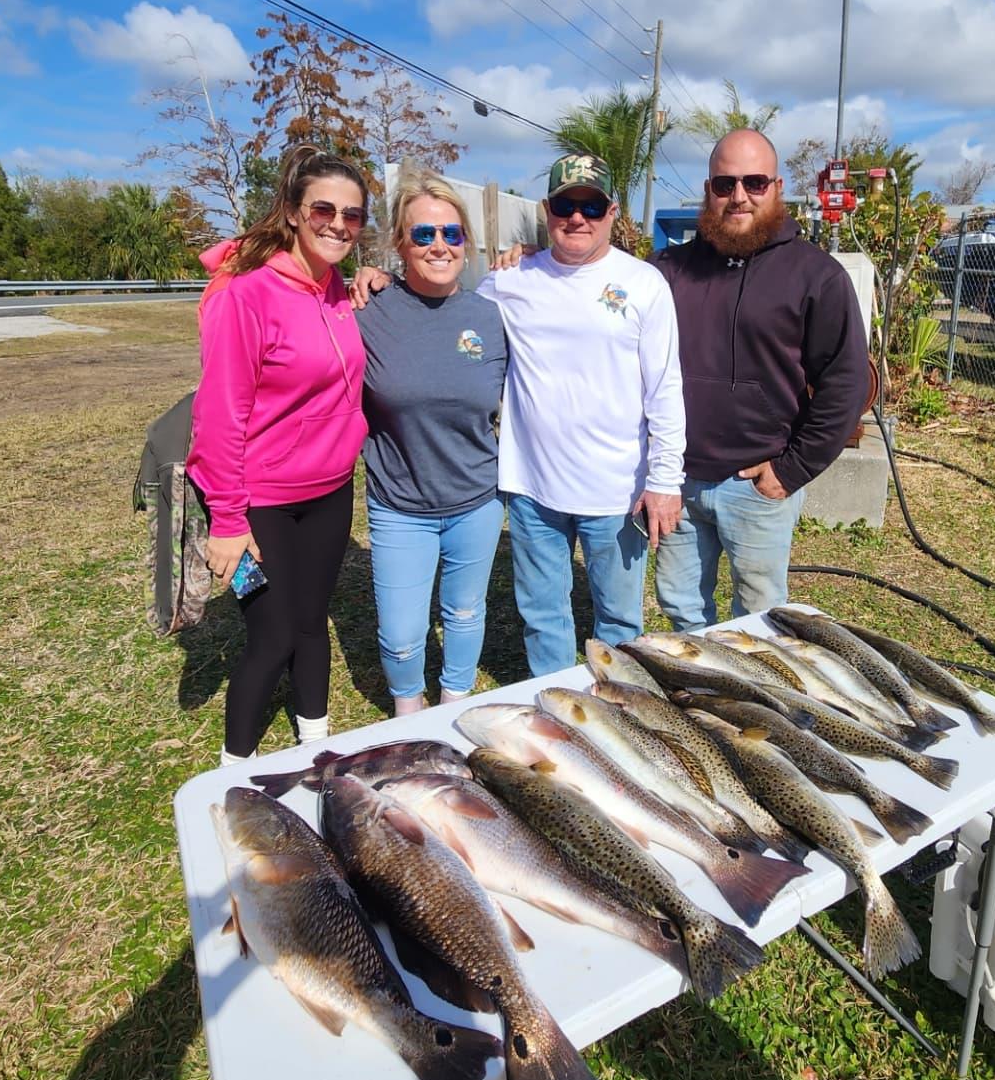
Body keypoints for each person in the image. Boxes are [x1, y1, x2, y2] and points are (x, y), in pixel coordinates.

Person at [352, 154, 685, 677]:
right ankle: (555, 712)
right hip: (532, 490)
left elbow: (665, 387)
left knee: (620, 621)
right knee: (543, 616)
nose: (577, 217)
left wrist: (665, 479)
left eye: (591, 205)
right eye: (564, 205)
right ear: (545, 209)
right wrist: (382, 280)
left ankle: (625, 715)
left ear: (613, 212)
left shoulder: (644, 284)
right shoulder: (509, 281)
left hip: (618, 490)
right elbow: (440, 303)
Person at [188, 145, 370, 766]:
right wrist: (228, 521)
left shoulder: (336, 288)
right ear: (294, 212)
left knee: (310, 623)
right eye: (324, 209)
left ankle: (316, 755)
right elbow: (218, 416)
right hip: (256, 504)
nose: (338, 225)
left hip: (329, 493)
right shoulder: (247, 295)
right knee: (269, 638)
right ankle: (233, 770)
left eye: (353, 215)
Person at [651, 127, 870, 629]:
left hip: (755, 485)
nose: (739, 196)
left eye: (754, 182)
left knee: (760, 618)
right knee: (683, 611)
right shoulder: (667, 270)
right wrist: (532, 262)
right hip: (677, 480)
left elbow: (847, 383)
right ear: (708, 189)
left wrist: (791, 471)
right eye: (724, 184)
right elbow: (595, 285)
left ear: (777, 186)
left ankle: (757, 705)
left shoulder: (816, 276)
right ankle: (704, 701)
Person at [354, 171, 508, 713]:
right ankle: (407, 713)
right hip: (400, 505)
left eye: (451, 233)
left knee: (465, 613)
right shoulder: (367, 313)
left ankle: (455, 706)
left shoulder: (491, 315)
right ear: (400, 244)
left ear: (467, 242)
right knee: (401, 632)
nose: (439, 245)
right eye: (423, 234)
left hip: (477, 501)